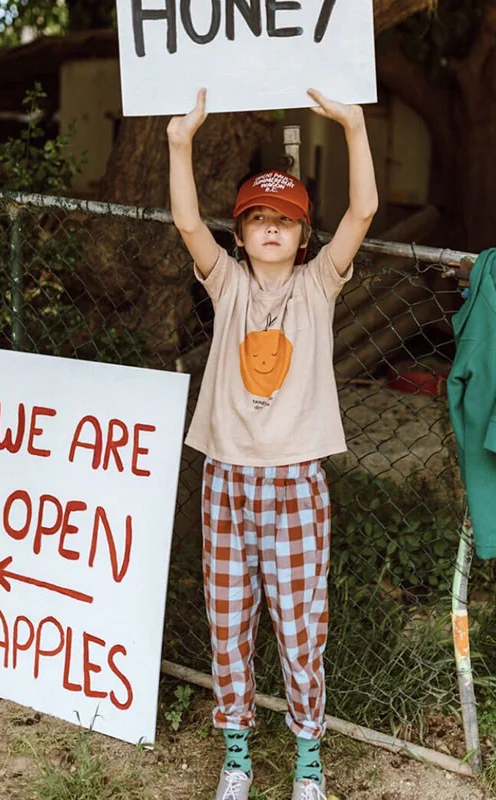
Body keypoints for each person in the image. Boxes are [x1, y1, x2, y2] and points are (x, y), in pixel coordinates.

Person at [167, 87, 378, 800]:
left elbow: (364, 211)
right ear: (240, 231)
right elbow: (186, 220)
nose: (270, 230)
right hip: (227, 478)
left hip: (294, 483)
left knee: (300, 625)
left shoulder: (319, 287)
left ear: (303, 237)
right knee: (228, 622)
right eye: (257, 218)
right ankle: (236, 754)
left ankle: (308, 760)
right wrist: (178, 141)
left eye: (283, 221)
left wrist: (352, 126)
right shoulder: (225, 284)